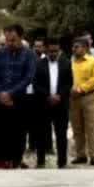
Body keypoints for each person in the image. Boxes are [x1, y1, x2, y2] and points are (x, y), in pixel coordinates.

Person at [0, 24, 37, 170]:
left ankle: (16, 160)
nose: (10, 43)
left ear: (21, 37)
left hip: (19, 99)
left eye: (13, 40)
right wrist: (0, 93)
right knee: (0, 131)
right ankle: (2, 161)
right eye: (7, 40)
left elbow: (28, 77)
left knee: (19, 132)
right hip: (0, 98)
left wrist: (10, 93)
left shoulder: (29, 55)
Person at [32, 37, 74, 168]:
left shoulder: (66, 63)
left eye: (56, 51)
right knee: (41, 134)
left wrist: (59, 96)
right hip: (43, 104)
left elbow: (69, 83)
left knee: (61, 134)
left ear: (59, 50)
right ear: (46, 50)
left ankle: (62, 162)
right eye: (51, 51)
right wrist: (48, 96)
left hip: (61, 104)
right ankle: (40, 161)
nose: (53, 54)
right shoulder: (39, 64)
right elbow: (35, 83)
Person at [69, 37, 94, 165]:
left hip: (89, 96)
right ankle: (81, 155)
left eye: (76, 47)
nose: (74, 49)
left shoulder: (93, 61)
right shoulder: (71, 62)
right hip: (74, 99)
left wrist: (81, 89)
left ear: (84, 48)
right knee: (77, 128)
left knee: (91, 127)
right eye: (73, 47)